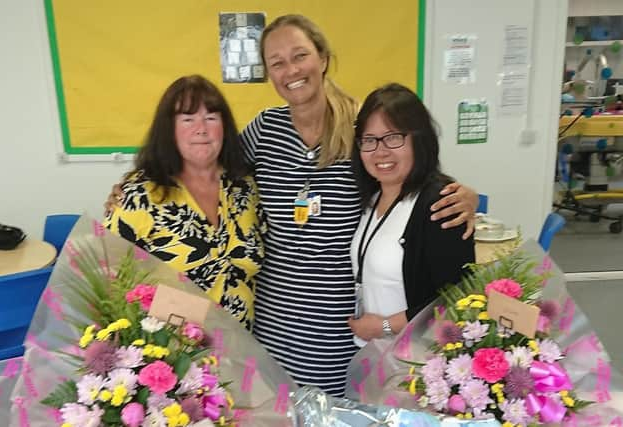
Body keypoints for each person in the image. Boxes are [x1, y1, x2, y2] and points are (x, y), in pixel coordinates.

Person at [105, 15, 478, 396]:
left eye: (300, 55)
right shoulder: (265, 129)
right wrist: (135, 185)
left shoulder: (357, 131)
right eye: (277, 62)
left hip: (336, 325)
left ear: (323, 59)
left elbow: (407, 174)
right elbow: (209, 165)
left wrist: (460, 193)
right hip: (267, 323)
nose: (291, 70)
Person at [103, 75, 265, 331]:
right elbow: (110, 286)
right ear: (169, 130)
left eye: (211, 118)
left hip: (246, 348)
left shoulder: (244, 188)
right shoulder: (138, 196)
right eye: (188, 119)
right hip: (174, 357)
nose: (201, 129)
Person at [347, 83, 475, 347]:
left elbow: (455, 298)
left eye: (394, 137)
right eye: (369, 140)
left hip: (419, 364)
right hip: (373, 356)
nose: (380, 151)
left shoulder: (440, 204)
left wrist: (384, 326)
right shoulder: (372, 196)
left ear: (419, 139)